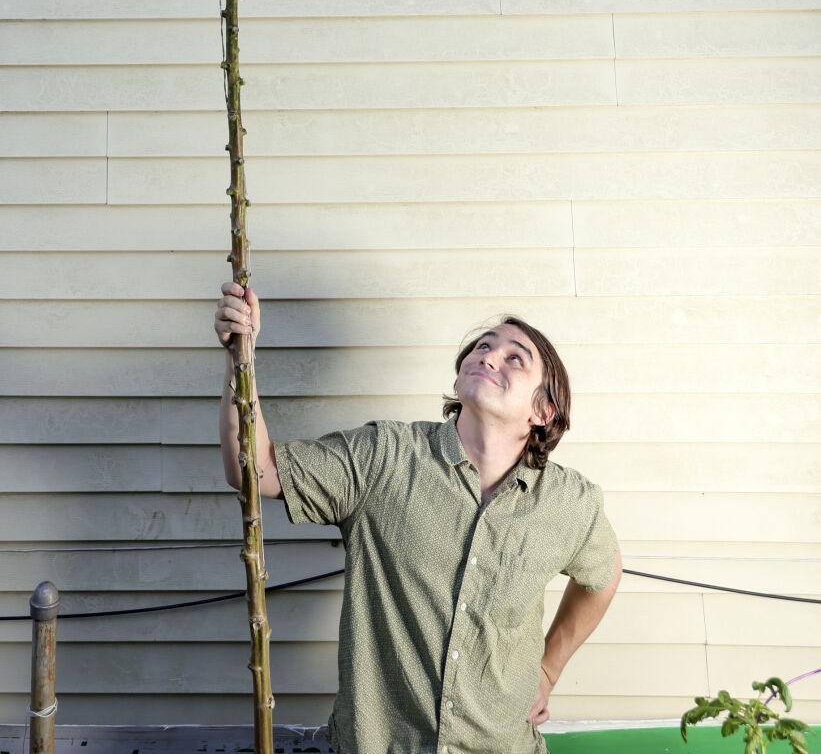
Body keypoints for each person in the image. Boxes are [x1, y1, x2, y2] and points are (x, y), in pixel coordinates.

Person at [215, 282, 622, 754]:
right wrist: (240, 359)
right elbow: (255, 469)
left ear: (543, 410)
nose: (490, 356)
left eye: (515, 358)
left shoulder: (570, 502)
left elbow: (604, 576)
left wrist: (548, 670)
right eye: (483, 346)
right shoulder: (383, 457)